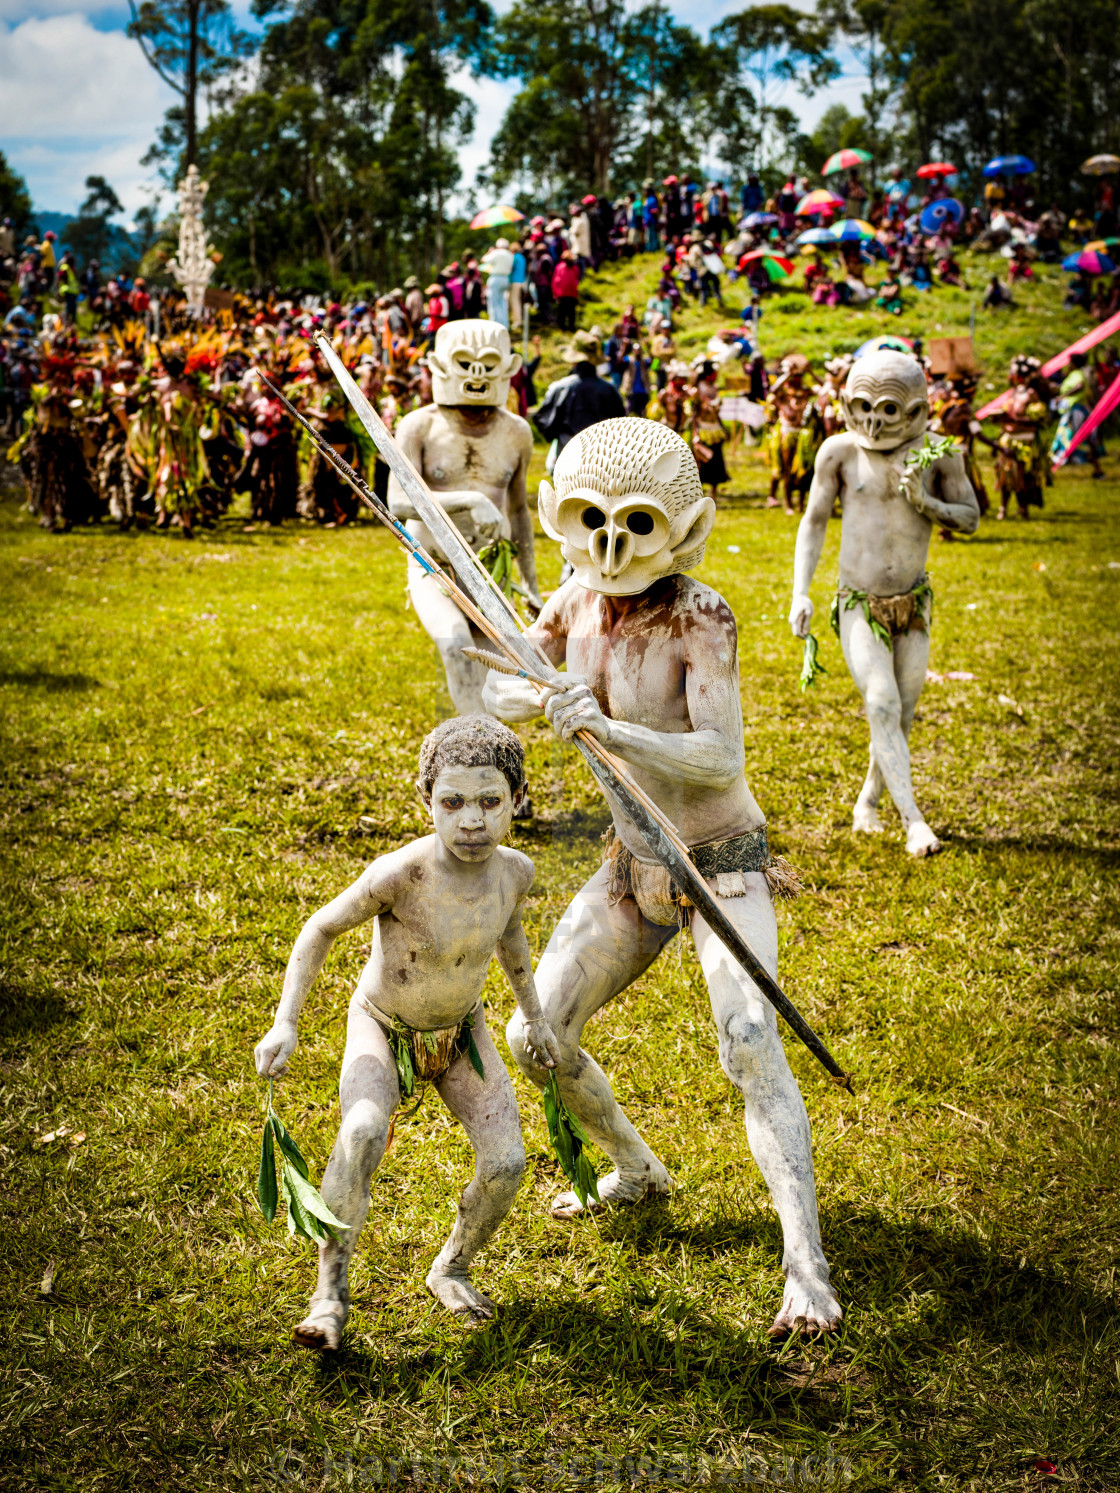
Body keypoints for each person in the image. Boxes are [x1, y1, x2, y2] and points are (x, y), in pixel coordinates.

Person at [485, 418, 842, 1339]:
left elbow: (719, 756)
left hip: (718, 862)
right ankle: (636, 1168)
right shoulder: (571, 601)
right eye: (591, 520)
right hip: (633, 861)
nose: (609, 546)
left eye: (635, 524)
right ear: (563, 521)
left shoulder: (701, 614)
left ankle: (806, 1265)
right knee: (535, 1033)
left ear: (683, 528)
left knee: (749, 1034)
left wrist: (606, 728)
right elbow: (501, 682)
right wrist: (526, 694)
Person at [253, 716, 560, 1348]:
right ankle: (329, 1292)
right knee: (363, 1130)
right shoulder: (401, 873)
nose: (470, 820)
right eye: (451, 802)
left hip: (460, 1032)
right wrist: (286, 1020)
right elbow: (320, 928)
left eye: (489, 802)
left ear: (517, 803)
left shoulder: (516, 872)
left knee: (507, 1164)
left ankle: (452, 1264)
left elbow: (509, 937)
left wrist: (532, 1015)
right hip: (383, 1024)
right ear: (426, 802)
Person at [789, 351, 980, 857]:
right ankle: (914, 821)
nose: (874, 419)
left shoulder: (940, 453)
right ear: (848, 404)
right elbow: (813, 521)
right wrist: (799, 591)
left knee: (900, 712)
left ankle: (868, 800)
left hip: (913, 602)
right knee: (881, 702)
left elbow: (971, 517)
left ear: (917, 411)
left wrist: (927, 502)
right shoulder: (839, 453)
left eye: (889, 409)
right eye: (863, 405)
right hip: (858, 601)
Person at [533, 330, 625, 457]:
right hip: (602, 459)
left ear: (573, 360)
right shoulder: (610, 389)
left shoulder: (561, 388)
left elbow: (545, 423)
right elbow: (622, 426)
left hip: (568, 456)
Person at [1051, 352, 1103, 476]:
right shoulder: (1073, 375)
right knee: (1083, 438)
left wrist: (1062, 396)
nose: (1068, 364)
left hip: (1076, 411)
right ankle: (1096, 468)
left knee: (1067, 435)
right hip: (1074, 410)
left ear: (1073, 363)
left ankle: (1057, 462)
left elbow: (1079, 386)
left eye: (1070, 362)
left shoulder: (1077, 374)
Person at [689, 359, 730, 498]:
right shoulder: (697, 390)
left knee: (716, 462)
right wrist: (695, 433)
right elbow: (693, 413)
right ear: (708, 374)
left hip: (715, 430)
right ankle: (697, 494)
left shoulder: (715, 388)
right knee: (701, 462)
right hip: (703, 430)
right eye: (714, 373)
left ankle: (713, 492)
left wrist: (723, 428)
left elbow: (717, 413)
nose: (716, 375)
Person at [551, 251, 581, 333]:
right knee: (562, 312)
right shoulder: (560, 267)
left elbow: (577, 278)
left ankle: (571, 327)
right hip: (562, 293)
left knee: (571, 312)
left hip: (572, 293)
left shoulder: (574, 268)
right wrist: (555, 293)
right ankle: (562, 327)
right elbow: (555, 281)